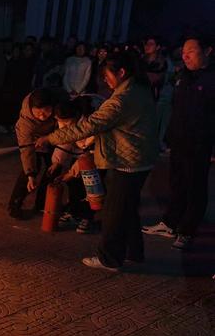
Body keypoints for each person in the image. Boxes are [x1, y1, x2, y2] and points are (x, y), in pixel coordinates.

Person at [36, 52, 158, 270]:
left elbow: (88, 127)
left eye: (107, 74)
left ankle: (109, 259)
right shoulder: (139, 88)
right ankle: (134, 252)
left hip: (127, 163)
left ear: (121, 72)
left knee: (113, 212)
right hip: (139, 159)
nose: (105, 79)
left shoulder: (121, 100)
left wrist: (50, 138)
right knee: (127, 209)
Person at [142, 35, 215, 250]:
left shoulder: (211, 78)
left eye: (191, 50)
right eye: (184, 51)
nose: (185, 55)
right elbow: (174, 108)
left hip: (200, 143)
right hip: (179, 140)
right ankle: (170, 222)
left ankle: (187, 230)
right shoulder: (182, 75)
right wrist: (168, 136)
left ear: (208, 51)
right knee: (177, 183)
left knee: (195, 187)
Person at [7, 88, 57, 219]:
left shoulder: (59, 107)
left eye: (46, 112)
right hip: (33, 141)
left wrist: (49, 139)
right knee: (30, 169)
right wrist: (31, 174)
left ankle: (42, 205)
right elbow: (26, 149)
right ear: (31, 108)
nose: (41, 116)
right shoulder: (25, 122)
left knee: (53, 170)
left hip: (54, 139)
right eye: (37, 113)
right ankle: (14, 205)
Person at [50, 99, 96, 233]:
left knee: (90, 187)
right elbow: (65, 137)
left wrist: (71, 173)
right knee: (74, 186)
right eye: (60, 121)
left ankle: (88, 218)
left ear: (76, 116)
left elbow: (88, 154)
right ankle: (74, 213)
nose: (63, 125)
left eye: (66, 122)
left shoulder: (90, 122)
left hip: (95, 155)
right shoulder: (64, 120)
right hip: (79, 153)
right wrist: (57, 161)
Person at [141, 36, 167, 101]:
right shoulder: (141, 60)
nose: (147, 46)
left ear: (157, 47)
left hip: (151, 97)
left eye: (151, 44)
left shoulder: (161, 62)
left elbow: (155, 79)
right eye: (147, 44)